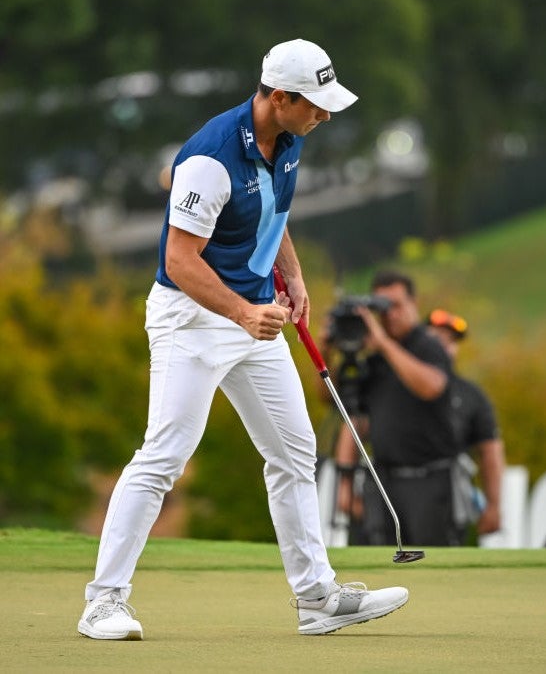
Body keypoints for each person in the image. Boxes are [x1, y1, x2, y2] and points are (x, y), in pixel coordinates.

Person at [77, 39, 408, 641]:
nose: (324, 115)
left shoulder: (291, 137)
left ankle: (316, 598)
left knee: (294, 450)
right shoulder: (209, 158)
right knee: (164, 455)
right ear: (278, 97)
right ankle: (103, 601)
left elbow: (274, 216)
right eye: (314, 104)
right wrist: (240, 312)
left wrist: (295, 276)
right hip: (192, 318)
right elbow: (180, 261)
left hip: (252, 316)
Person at [324, 270, 461, 547]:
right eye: (382, 308)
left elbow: (431, 387)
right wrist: (325, 349)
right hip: (383, 477)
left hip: (428, 478)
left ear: (413, 304)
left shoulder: (428, 345)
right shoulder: (373, 358)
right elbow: (344, 408)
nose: (390, 315)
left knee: (430, 554)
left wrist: (384, 344)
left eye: (397, 306)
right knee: (381, 552)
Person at [425, 309, 505, 541]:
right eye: (438, 339)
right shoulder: (395, 381)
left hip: (449, 496)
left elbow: (490, 450)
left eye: (451, 342)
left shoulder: (471, 395)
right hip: (392, 489)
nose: (445, 347)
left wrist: (494, 505)